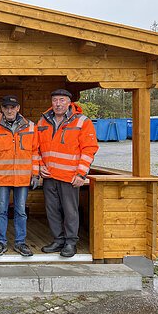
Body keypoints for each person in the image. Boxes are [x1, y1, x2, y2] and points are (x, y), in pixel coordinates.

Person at [37, 89, 99, 257]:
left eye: (62, 100)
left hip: (70, 176)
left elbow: (89, 149)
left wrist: (81, 174)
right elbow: (35, 147)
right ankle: (58, 240)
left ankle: (71, 242)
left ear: (69, 102)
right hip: (49, 176)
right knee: (52, 210)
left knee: (70, 211)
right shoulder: (43, 121)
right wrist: (39, 165)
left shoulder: (82, 122)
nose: (58, 103)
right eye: (55, 100)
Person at [0, 95, 40, 256]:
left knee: (21, 211)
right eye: (6, 107)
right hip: (2, 178)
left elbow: (35, 152)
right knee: (1, 211)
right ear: (2, 109)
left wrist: (35, 175)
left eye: (12, 107)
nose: (9, 110)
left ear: (18, 109)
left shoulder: (30, 126)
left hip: (23, 179)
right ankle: (1, 242)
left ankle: (20, 243)